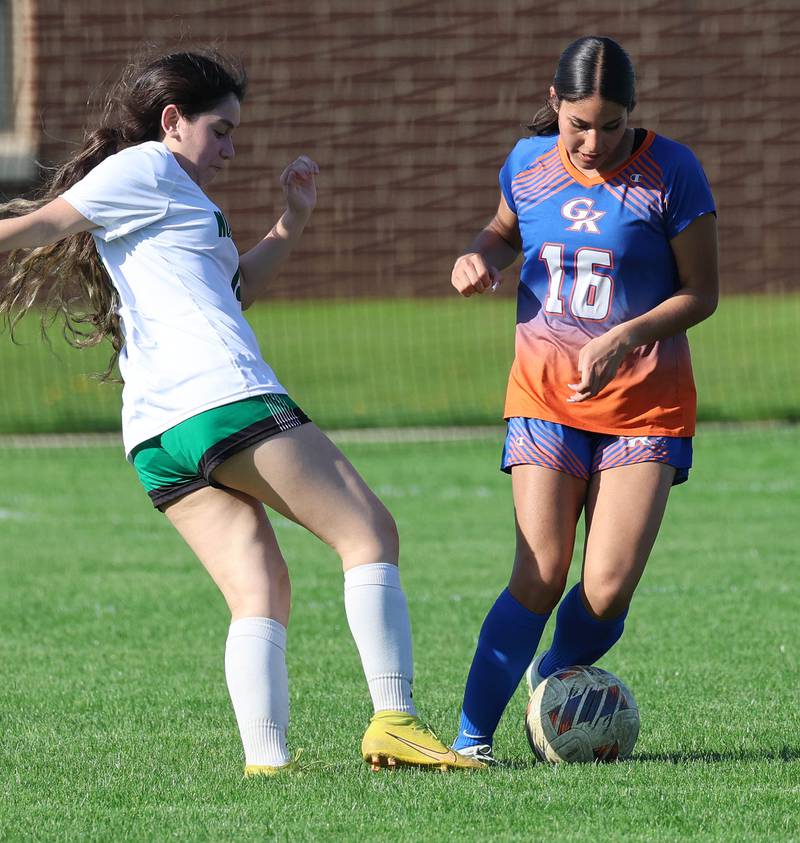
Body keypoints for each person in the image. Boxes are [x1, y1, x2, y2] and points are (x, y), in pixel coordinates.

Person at [0, 50, 482, 775]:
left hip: (158, 434)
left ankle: (268, 765)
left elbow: (238, 286)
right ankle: (395, 720)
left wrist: (292, 220)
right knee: (370, 533)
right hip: (221, 396)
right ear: (173, 122)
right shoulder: (148, 169)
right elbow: (40, 225)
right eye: (220, 131)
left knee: (261, 586)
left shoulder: (176, 198)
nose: (231, 149)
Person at [449, 36, 718, 763]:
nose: (595, 141)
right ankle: (471, 740)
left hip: (646, 407)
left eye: (612, 125)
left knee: (605, 589)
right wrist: (480, 256)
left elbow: (703, 292)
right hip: (544, 397)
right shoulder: (525, 167)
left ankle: (550, 688)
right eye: (580, 124)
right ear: (554, 103)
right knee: (538, 573)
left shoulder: (673, 171)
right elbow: (504, 232)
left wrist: (628, 335)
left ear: (633, 114)